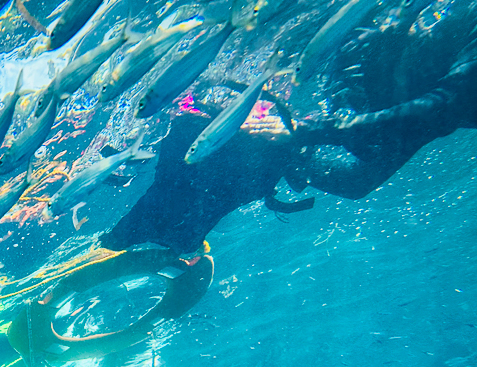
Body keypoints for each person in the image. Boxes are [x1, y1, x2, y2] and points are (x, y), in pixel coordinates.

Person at [102, 0, 477, 256]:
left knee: (256, 165)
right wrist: (309, 133)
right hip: (357, 63)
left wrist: (300, 150)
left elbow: (366, 173)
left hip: (365, 99)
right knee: (210, 160)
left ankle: (160, 228)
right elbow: (438, 107)